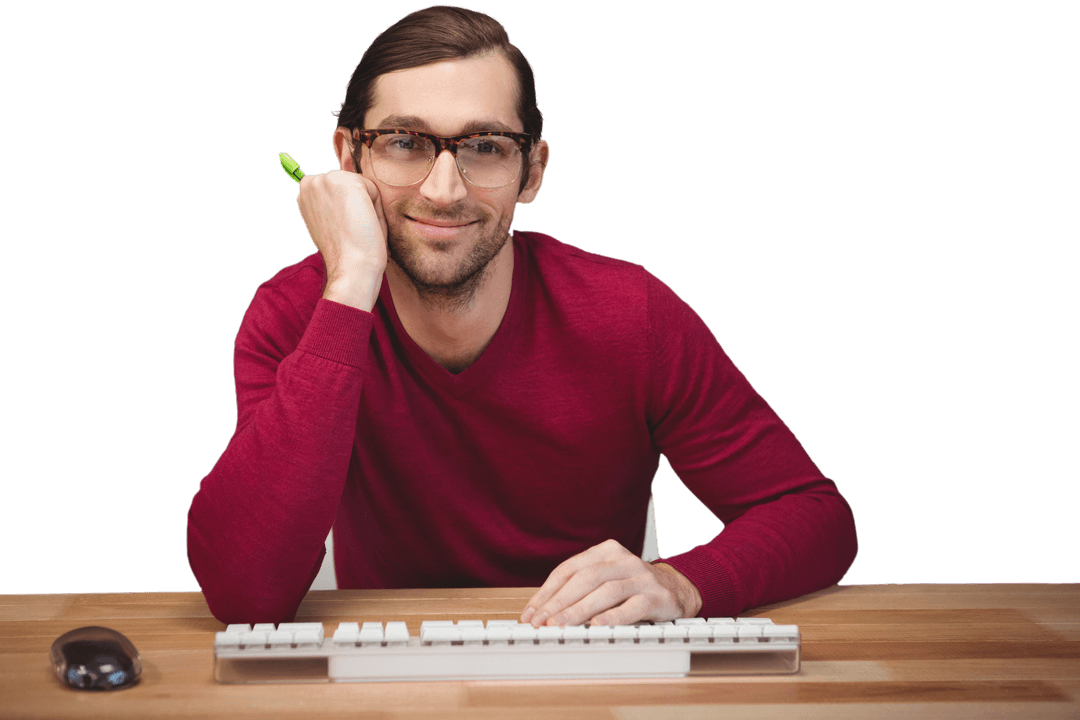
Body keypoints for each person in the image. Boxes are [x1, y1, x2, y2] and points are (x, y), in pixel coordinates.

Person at [186, 5, 858, 626]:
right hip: (392, 681)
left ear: (531, 171)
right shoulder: (296, 313)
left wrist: (682, 583)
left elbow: (815, 517)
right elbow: (245, 593)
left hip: (596, 673)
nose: (443, 190)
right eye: (403, 142)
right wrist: (353, 278)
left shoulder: (632, 315)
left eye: (484, 146)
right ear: (347, 160)